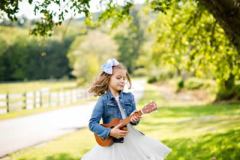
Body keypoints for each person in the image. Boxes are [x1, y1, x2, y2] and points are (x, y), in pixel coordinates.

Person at [81, 58, 171, 160]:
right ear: (108, 79)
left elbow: (133, 120)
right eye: (118, 78)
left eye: (124, 78)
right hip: (113, 143)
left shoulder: (129, 97)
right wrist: (109, 132)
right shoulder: (103, 100)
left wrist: (135, 119)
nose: (122, 81)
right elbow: (92, 124)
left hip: (132, 139)